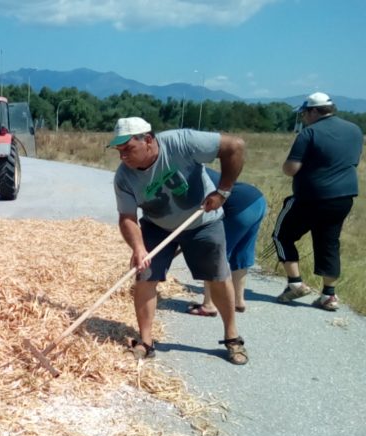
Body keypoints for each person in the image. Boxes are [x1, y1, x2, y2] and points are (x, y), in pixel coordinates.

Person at [111, 117, 248, 365]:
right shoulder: (124, 177)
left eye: (128, 149)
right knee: (145, 276)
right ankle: (145, 342)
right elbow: (127, 217)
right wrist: (139, 248)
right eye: (119, 151)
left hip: (203, 221)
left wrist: (223, 191)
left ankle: (232, 338)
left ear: (148, 140)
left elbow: (235, 146)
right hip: (157, 226)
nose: (123, 157)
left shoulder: (181, 142)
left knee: (217, 277)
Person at [272, 92, 363, 311]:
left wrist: (288, 166)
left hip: (311, 197)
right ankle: (329, 295)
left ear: (314, 111)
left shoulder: (309, 132)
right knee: (329, 243)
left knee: (282, 235)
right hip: (343, 197)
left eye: (304, 113)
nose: (303, 117)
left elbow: (291, 168)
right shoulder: (355, 130)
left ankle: (295, 283)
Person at [186, 168, 267, 316]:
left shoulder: (189, 174)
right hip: (257, 200)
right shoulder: (197, 167)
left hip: (238, 207)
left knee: (213, 255)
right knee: (241, 252)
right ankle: (238, 300)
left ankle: (209, 305)